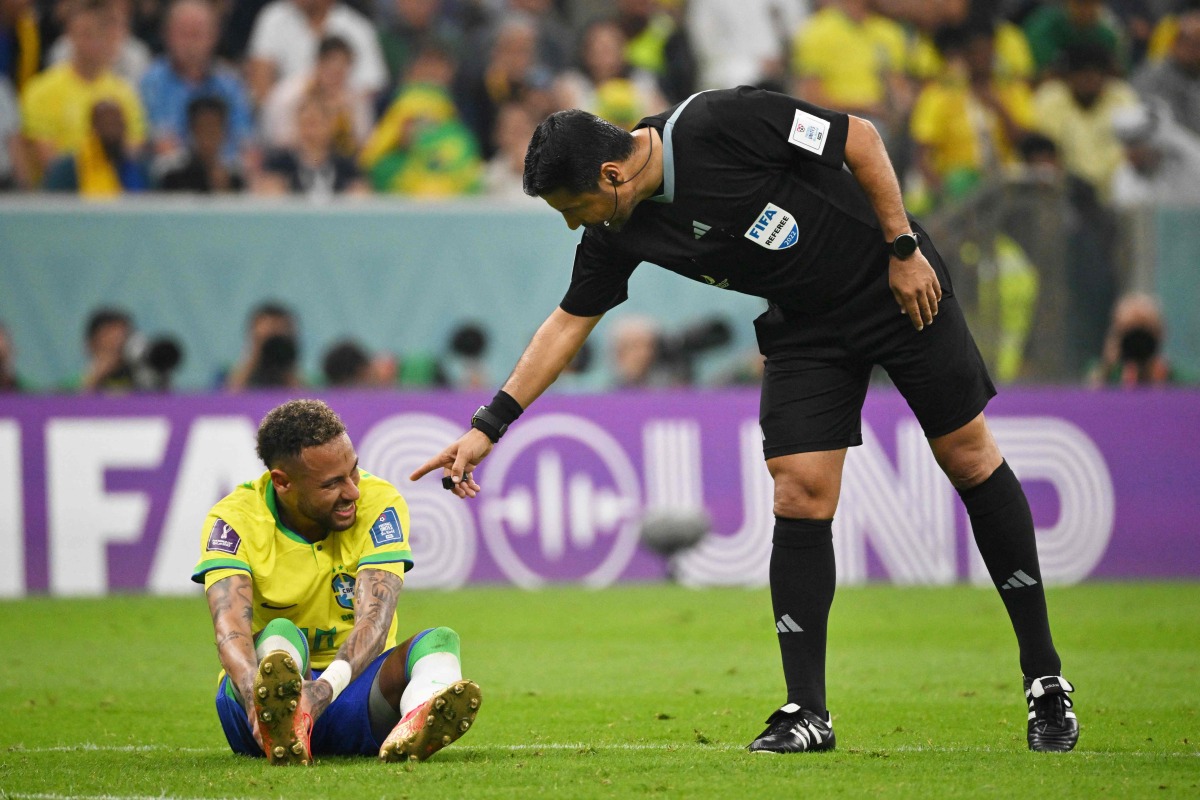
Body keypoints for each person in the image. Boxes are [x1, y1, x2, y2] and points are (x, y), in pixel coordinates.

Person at [411, 88, 1080, 754]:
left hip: (893, 285)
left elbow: (862, 140)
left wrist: (904, 248)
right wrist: (488, 426)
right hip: (806, 325)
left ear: (611, 176)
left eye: (572, 207)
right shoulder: (617, 228)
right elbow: (566, 326)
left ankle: (1045, 679)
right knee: (799, 489)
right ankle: (807, 712)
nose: (571, 224)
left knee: (966, 456)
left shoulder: (717, 124)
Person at [192, 399, 482, 764]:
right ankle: (279, 715)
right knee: (281, 635)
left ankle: (414, 722)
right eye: (332, 484)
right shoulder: (234, 520)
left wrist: (323, 692)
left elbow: (373, 622)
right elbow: (230, 629)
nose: (353, 492)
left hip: (355, 695)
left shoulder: (379, 503)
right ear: (282, 482)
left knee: (439, 643)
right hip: (257, 716)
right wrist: (254, 698)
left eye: (354, 471)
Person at [139, 0, 255, 166]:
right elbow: (149, 141)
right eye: (183, 34)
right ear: (166, 35)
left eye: (197, 34)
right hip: (168, 180)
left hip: (224, 178)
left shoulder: (231, 84)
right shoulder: (150, 83)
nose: (190, 44)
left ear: (214, 36)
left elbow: (246, 143)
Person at [43, 98, 150, 194]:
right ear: (93, 127)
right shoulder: (68, 168)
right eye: (107, 123)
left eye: (118, 123)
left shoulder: (139, 166)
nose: (113, 130)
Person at [157, 94, 246, 192]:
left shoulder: (235, 178)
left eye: (214, 128)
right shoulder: (173, 177)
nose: (208, 136)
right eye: (202, 128)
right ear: (191, 130)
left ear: (225, 132)